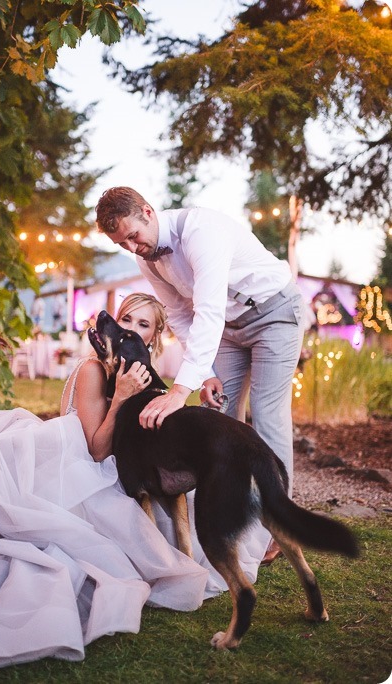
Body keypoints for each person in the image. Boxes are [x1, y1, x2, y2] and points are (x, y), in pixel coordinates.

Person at [0, 293, 231, 670]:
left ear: (155, 336)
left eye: (143, 324)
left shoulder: (134, 368)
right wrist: (122, 398)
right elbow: (95, 450)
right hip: (74, 467)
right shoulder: (96, 370)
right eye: (127, 319)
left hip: (107, 466)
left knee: (180, 514)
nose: (131, 328)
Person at [95, 187, 306, 566]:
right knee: (222, 416)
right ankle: (236, 517)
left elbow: (207, 310)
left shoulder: (200, 232)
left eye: (133, 235)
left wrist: (180, 391)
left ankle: (280, 526)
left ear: (147, 211)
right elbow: (178, 315)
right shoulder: (148, 259)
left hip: (273, 312)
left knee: (266, 411)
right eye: (121, 242)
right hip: (228, 328)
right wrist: (205, 374)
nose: (131, 246)